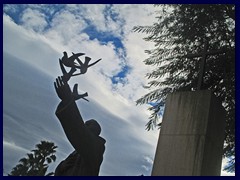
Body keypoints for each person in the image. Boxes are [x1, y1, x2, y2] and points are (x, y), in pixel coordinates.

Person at [54, 76, 106, 176]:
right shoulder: (77, 151)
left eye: (87, 125)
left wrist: (68, 100)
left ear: (94, 132)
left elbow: (80, 131)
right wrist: (62, 166)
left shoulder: (96, 147)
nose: (84, 126)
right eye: (84, 124)